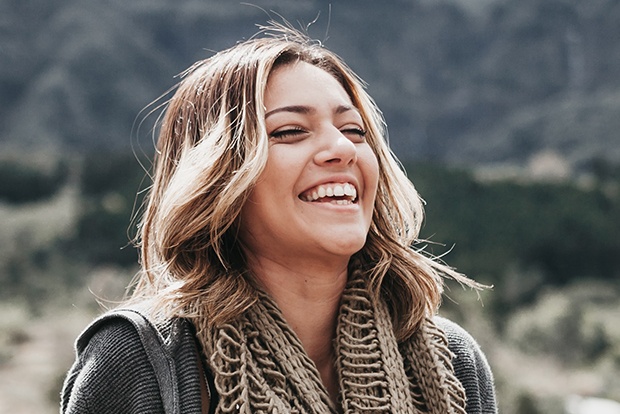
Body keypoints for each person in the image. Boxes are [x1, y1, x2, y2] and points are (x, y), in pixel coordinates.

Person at [61, 23, 497, 414]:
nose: (343, 149)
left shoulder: (451, 363)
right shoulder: (139, 361)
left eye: (354, 131)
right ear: (217, 176)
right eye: (290, 131)